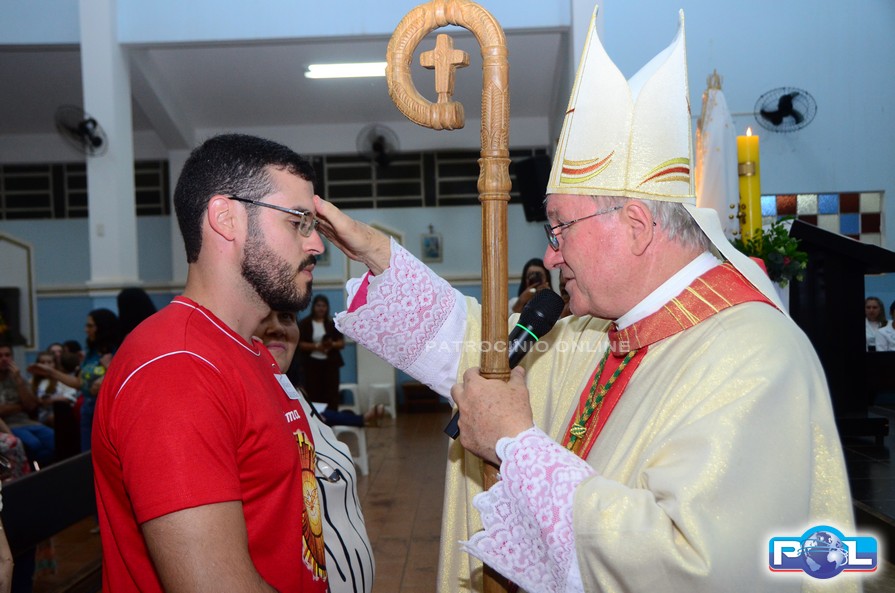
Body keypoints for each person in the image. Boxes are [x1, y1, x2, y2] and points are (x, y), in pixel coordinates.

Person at [316, 8, 856, 593]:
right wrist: (378, 253)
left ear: (636, 226)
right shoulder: (604, 332)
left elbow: (690, 565)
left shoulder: (754, 357)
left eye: (559, 229)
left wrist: (515, 446)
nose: (550, 257)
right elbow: (479, 350)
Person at [91, 133, 328, 592]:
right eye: (298, 221)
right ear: (226, 218)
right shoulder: (177, 369)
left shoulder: (249, 351)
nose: (316, 243)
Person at [255, 309, 375, 593]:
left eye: (287, 317)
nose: (277, 327)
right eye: (263, 316)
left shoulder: (295, 395)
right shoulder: (245, 409)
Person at [29, 309, 121, 452]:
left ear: (102, 327)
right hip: (88, 409)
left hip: (106, 410)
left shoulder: (117, 350)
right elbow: (79, 383)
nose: (86, 329)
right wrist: (50, 372)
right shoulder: (92, 352)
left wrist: (108, 371)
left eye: (90, 326)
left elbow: (121, 379)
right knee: (86, 455)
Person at [0, 344, 54, 467]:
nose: (4, 359)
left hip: (27, 421)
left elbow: (31, 406)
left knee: (54, 439)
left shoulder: (18, 378)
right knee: (33, 444)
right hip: (8, 425)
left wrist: (19, 381)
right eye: (0, 356)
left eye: (7, 355)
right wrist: (20, 406)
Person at [298, 294, 346, 410]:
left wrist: (331, 344)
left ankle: (332, 416)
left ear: (327, 307)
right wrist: (316, 347)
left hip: (330, 364)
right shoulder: (305, 323)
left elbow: (341, 343)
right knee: (313, 392)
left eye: (323, 306)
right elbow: (300, 344)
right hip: (311, 364)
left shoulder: (332, 322)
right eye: (318, 305)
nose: (321, 308)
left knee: (331, 393)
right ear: (313, 307)